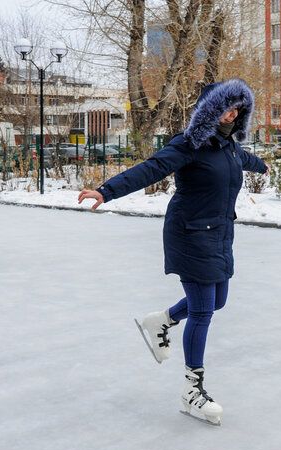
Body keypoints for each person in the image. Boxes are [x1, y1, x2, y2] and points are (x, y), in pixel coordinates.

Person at [77, 79, 269, 425]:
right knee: (202, 311)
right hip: (190, 234)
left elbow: (245, 159)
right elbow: (151, 168)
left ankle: (160, 322)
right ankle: (192, 390)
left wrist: (263, 166)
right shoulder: (189, 144)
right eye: (225, 106)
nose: (232, 113)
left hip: (219, 234)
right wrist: (107, 191)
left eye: (237, 108)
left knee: (218, 300)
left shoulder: (229, 148)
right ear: (209, 109)